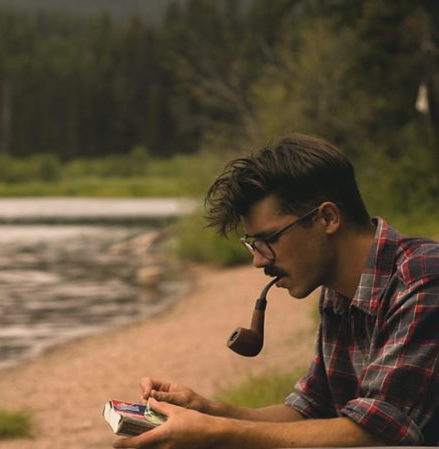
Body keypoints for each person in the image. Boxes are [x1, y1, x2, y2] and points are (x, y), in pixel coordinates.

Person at [113, 133, 439, 448]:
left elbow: (379, 432)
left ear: (327, 218)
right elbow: (309, 410)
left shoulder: (423, 279)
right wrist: (207, 412)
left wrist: (216, 433)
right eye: (253, 244)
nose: (257, 261)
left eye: (269, 240)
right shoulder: (337, 293)